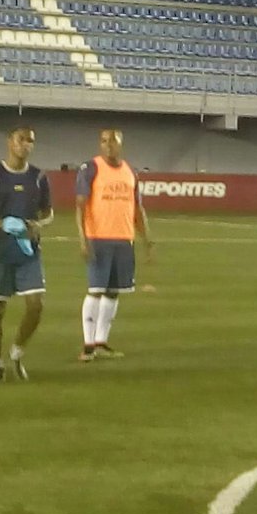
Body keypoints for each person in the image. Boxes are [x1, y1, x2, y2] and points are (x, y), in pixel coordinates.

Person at [0, 126, 53, 380]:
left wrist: (39, 224)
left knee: (36, 305)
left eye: (31, 140)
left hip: (28, 252)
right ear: (9, 142)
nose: (26, 144)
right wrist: (1, 223)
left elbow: (48, 212)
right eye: (21, 139)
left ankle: (17, 352)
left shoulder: (39, 177)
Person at [76, 128, 152, 362]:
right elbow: (80, 206)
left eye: (113, 141)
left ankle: (101, 342)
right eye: (104, 141)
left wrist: (147, 239)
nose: (108, 145)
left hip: (123, 240)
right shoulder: (91, 168)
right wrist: (83, 238)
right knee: (95, 290)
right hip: (98, 238)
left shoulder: (131, 172)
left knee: (113, 292)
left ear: (121, 143)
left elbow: (137, 209)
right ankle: (88, 346)